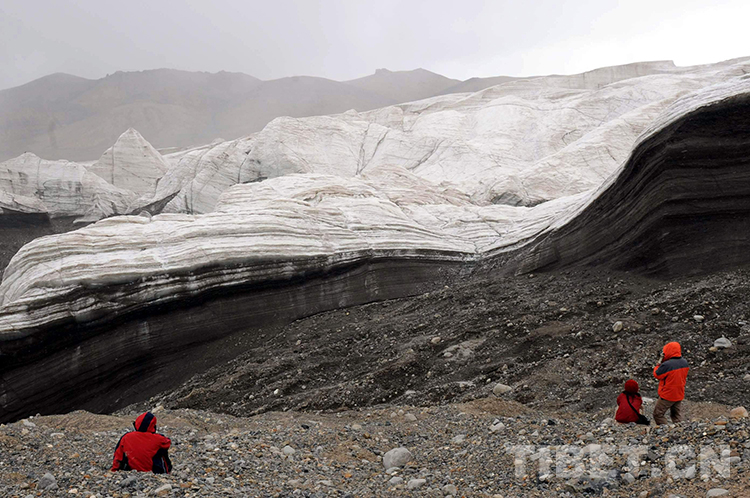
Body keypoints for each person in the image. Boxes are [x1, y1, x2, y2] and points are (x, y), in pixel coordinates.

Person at [652, 341, 689, 425]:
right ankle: (680, 429)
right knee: (676, 415)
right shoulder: (684, 362)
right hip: (679, 393)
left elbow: (657, 374)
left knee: (658, 414)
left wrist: (658, 364)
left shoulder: (667, 365)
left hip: (667, 395)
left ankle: (665, 430)